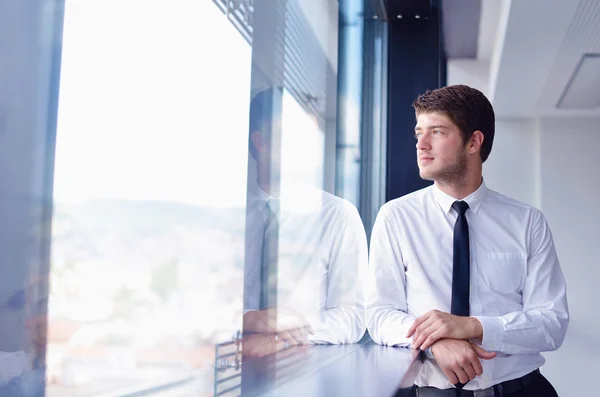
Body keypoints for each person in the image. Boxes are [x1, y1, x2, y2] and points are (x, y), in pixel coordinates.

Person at [367, 85, 568, 396]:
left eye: (437, 132)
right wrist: (436, 342)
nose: (421, 144)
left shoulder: (527, 222)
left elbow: (552, 323)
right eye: (419, 132)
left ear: (474, 141)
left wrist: (474, 327)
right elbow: (380, 315)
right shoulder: (395, 217)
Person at [242, 87, 367, 355]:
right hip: (229, 365)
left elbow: (353, 318)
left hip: (305, 370)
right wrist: (250, 320)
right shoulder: (227, 218)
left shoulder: (338, 215)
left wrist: (283, 333)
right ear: (259, 141)